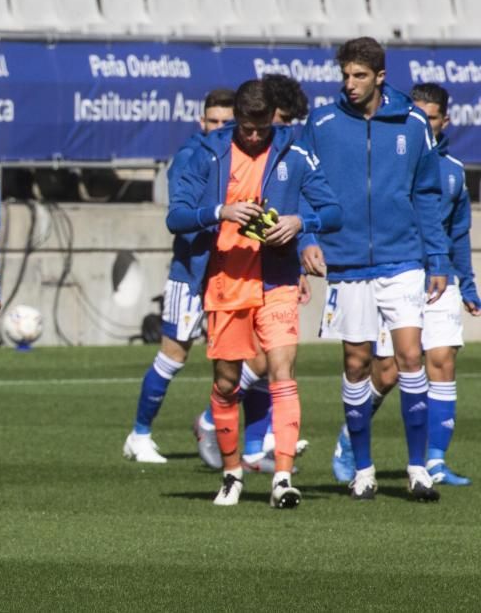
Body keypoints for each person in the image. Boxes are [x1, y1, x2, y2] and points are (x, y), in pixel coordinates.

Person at [167, 79, 341, 508]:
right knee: (226, 385)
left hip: (277, 280)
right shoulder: (206, 152)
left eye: (262, 128)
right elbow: (176, 217)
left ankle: (282, 478)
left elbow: (334, 211)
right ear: (237, 120)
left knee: (282, 372)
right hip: (226, 281)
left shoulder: (294, 151)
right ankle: (231, 474)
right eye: (246, 127)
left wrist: (301, 223)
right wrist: (219, 212)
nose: (254, 136)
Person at [300, 37, 448, 502]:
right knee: (356, 362)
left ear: (380, 76)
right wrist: (307, 238)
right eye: (345, 75)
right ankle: (362, 469)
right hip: (346, 263)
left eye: (359, 76)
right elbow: (303, 189)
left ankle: (418, 468)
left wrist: (438, 257)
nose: (350, 84)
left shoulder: (412, 122)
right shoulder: (321, 122)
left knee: (409, 356)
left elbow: (426, 194)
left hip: (403, 258)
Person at [330, 82, 478, 487]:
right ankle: (349, 438)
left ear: (444, 121)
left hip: (439, 274)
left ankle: (433, 463)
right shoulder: (387, 161)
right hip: (394, 270)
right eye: (419, 116)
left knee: (442, 360)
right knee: (390, 370)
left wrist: (467, 283)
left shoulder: (452, 173)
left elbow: (459, 232)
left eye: (431, 118)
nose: (423, 124)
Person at [122, 88, 235, 464]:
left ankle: (218, 426)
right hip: (192, 273)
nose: (219, 128)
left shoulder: (242, 157)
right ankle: (139, 434)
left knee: (251, 358)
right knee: (173, 355)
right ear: (201, 122)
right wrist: (221, 218)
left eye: (226, 122)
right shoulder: (189, 157)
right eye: (213, 121)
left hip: (234, 273)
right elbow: (181, 220)